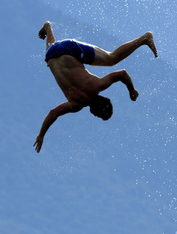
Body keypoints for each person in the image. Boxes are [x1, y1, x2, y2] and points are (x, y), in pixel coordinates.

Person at [34, 22, 158, 152]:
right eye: (98, 115)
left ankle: (48, 28)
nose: (94, 116)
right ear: (96, 110)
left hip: (64, 49)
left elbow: (122, 74)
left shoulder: (97, 86)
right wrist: (41, 135)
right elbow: (53, 113)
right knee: (109, 58)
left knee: (110, 59)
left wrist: (131, 90)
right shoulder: (77, 103)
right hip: (53, 55)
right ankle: (145, 38)